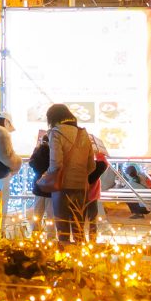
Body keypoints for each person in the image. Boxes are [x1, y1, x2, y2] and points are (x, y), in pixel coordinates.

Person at [37, 104, 95, 244]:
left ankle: (64, 260)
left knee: (62, 229)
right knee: (79, 228)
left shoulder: (55, 133)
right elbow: (91, 165)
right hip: (81, 186)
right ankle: (80, 260)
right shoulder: (83, 133)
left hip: (62, 186)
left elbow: (56, 163)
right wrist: (80, 175)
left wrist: (48, 176)